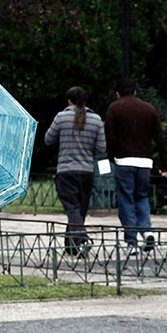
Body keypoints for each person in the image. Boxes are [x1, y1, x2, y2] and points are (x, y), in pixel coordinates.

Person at [103, 77, 167, 252]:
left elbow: (110, 136)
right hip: (145, 162)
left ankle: (131, 241)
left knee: (126, 199)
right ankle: (147, 231)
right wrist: (164, 163)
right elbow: (160, 138)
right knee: (141, 197)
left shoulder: (114, 109)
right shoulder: (149, 109)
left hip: (124, 160)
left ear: (117, 93)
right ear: (135, 91)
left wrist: (112, 156)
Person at [43, 86, 106, 255]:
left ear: (69, 101)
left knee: (72, 209)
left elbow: (48, 139)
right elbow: (101, 148)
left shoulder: (61, 117)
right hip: (86, 171)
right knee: (79, 210)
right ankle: (71, 247)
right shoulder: (96, 120)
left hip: (66, 170)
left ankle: (81, 237)